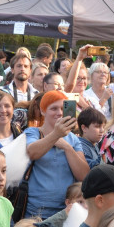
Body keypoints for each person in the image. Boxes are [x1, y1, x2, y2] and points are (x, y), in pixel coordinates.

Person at [25, 90, 93, 218]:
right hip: (37, 211)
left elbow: (83, 175)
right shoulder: (33, 132)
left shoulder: (73, 139)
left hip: (67, 209)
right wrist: (55, 135)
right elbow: (32, 152)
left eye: (63, 108)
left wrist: (67, 147)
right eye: (54, 109)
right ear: (43, 111)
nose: (59, 113)